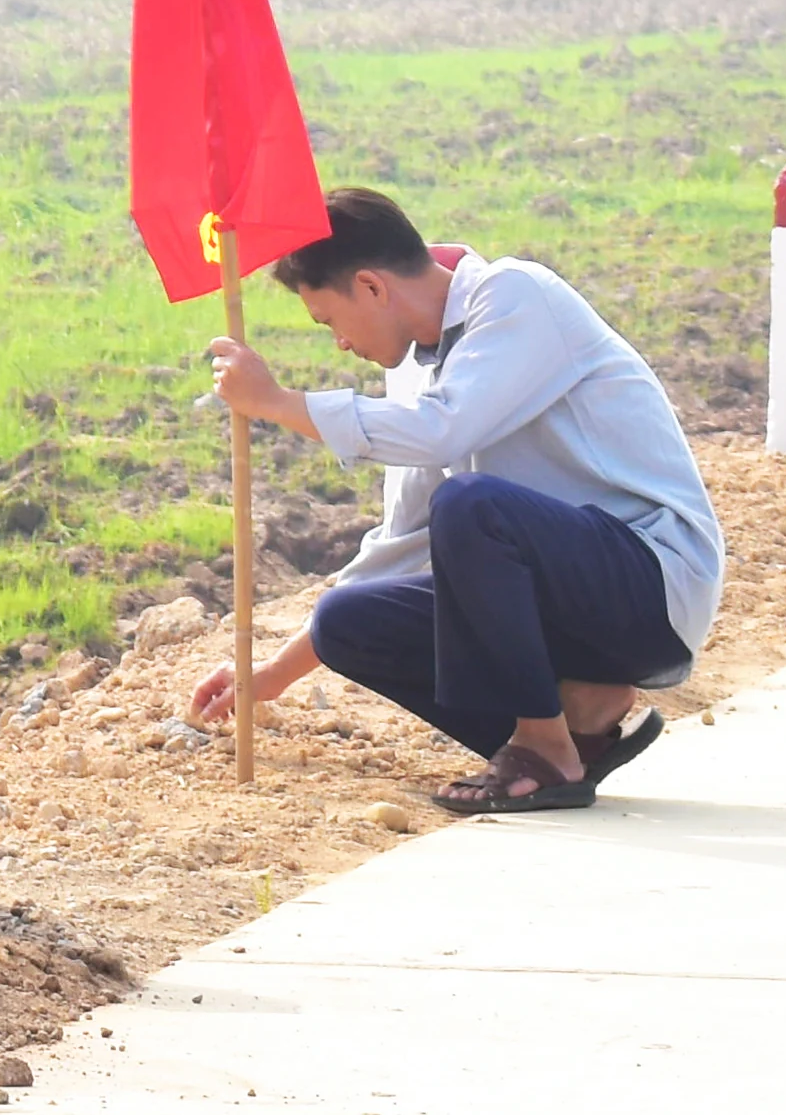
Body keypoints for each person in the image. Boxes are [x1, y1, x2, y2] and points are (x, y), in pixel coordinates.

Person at [185, 186, 723, 817]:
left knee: (472, 506)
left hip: (649, 589)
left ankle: (544, 750)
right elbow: (401, 540)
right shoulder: (413, 369)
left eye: (329, 321)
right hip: (564, 610)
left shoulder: (517, 297)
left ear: (371, 286)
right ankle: (575, 726)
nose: (340, 344)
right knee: (344, 622)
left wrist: (278, 403)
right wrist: (271, 675)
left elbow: (445, 432)